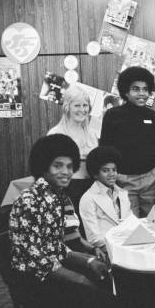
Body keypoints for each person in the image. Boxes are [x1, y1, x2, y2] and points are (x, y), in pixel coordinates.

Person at [9, 134, 119, 308]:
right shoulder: (31, 200)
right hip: (34, 284)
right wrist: (81, 279)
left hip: (47, 271)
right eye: (57, 165)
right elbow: (39, 261)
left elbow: (56, 248)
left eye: (70, 166)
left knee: (108, 283)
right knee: (103, 300)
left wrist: (89, 261)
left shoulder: (55, 196)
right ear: (43, 166)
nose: (66, 172)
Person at [99, 67, 155, 217]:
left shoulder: (152, 116)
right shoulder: (112, 115)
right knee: (130, 225)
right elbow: (105, 149)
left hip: (150, 180)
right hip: (124, 181)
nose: (142, 93)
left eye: (145, 89)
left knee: (153, 223)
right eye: (136, 89)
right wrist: (114, 176)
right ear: (125, 91)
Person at [47, 83, 98, 217]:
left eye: (85, 105)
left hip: (91, 189)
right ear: (67, 107)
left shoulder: (92, 134)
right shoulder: (55, 133)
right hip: (66, 191)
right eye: (77, 105)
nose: (82, 109)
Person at [79, 146, 131, 251]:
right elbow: (94, 238)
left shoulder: (123, 193)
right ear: (95, 174)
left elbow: (130, 223)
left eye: (114, 170)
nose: (112, 174)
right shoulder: (88, 198)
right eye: (106, 170)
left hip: (127, 245)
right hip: (106, 250)